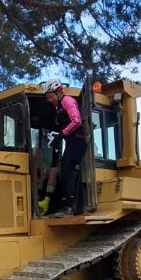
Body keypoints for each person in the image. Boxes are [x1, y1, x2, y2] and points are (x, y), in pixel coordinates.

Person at [42, 79, 86, 218]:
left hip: (78, 140)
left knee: (67, 169)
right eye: (47, 97)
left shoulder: (68, 101)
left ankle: (70, 207)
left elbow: (76, 121)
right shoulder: (58, 106)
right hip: (71, 141)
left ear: (59, 91)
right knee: (63, 170)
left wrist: (61, 135)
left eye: (51, 96)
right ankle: (66, 205)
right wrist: (56, 136)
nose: (49, 100)